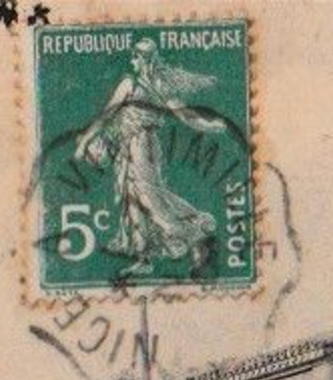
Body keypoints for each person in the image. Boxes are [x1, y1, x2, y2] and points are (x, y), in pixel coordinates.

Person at [73, 38, 228, 275]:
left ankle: (192, 232)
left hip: (141, 145)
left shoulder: (132, 83)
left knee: (148, 196)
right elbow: (185, 116)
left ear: (144, 59)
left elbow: (107, 116)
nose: (132, 61)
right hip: (135, 146)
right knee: (136, 196)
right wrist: (208, 125)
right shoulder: (153, 85)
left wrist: (209, 126)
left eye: (135, 57)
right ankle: (144, 259)